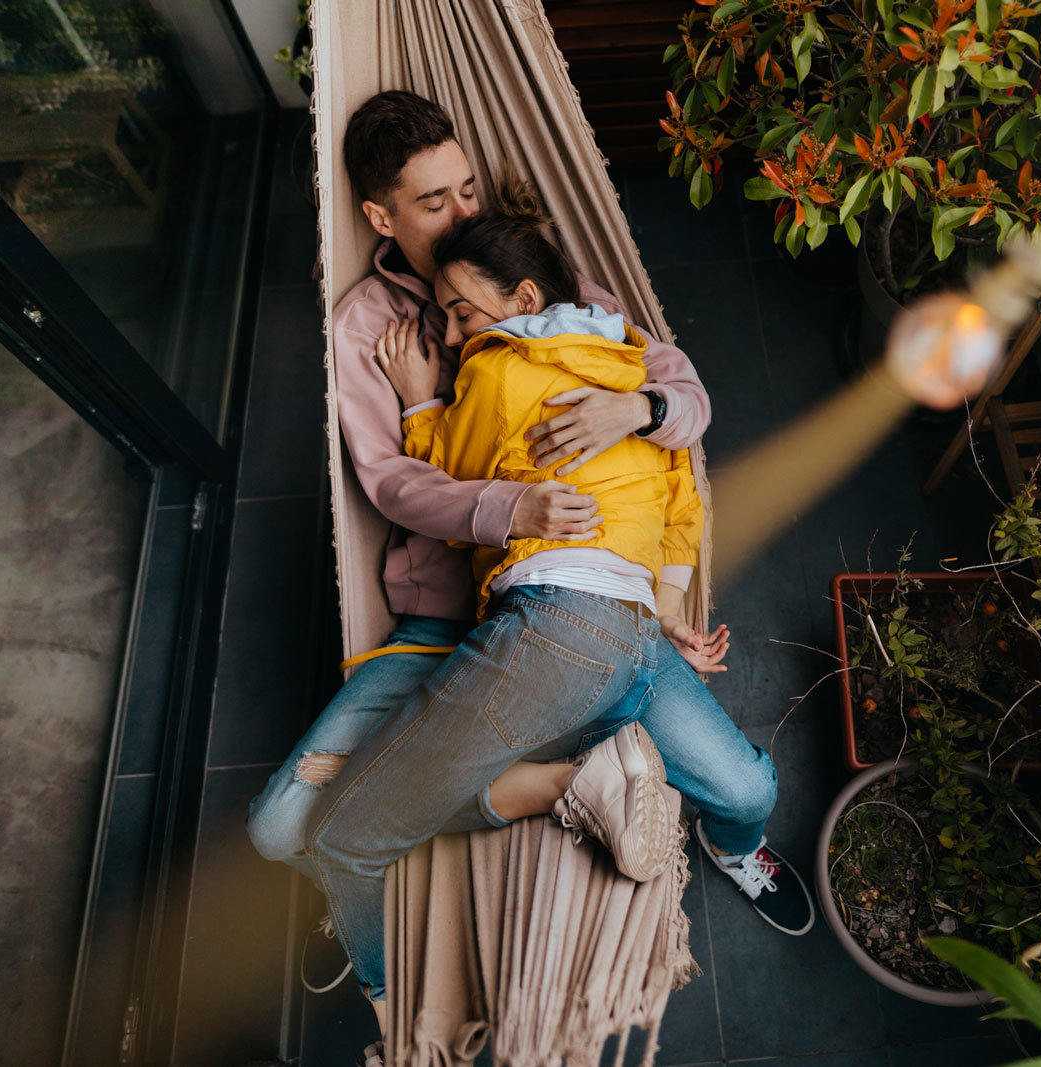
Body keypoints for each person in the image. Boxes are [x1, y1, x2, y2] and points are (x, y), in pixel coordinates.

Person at [245, 91, 811, 1015]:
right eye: (436, 202)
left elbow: (674, 382)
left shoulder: (526, 266)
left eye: (468, 188)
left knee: (745, 784)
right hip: (448, 615)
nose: (467, 212)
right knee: (275, 829)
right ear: (381, 218)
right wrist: (509, 501)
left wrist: (642, 411)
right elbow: (390, 483)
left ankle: (726, 845)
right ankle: (396, 848)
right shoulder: (365, 330)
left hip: (584, 599)